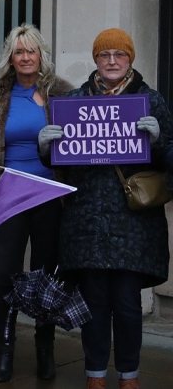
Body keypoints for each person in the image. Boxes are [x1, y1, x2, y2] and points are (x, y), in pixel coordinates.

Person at [38, 28, 172, 389]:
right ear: (95, 60)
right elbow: (62, 165)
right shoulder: (75, 100)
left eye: (120, 54)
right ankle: (94, 374)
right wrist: (46, 148)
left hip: (134, 223)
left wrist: (158, 142)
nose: (112, 61)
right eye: (104, 54)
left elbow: (169, 159)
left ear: (131, 59)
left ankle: (129, 376)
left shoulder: (150, 100)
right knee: (94, 304)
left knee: (128, 305)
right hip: (87, 220)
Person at [0, 24, 72, 382]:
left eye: (31, 51)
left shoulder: (62, 94)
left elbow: (77, 147)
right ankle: (5, 349)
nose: (25, 57)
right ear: (9, 58)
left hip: (48, 196)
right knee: (4, 275)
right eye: (18, 51)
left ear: (41, 54)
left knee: (46, 276)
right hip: (7, 194)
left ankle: (45, 348)